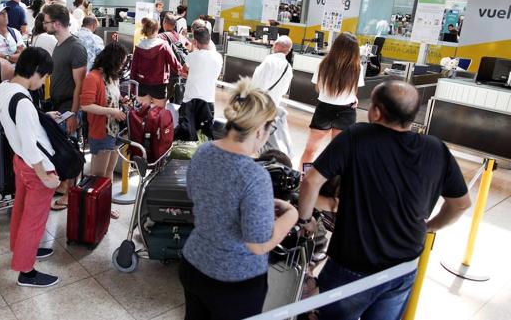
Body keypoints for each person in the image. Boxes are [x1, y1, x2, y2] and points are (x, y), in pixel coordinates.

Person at [298, 80, 471, 320]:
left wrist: (305, 220)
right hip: (404, 268)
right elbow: (461, 204)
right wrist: (428, 227)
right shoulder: (435, 148)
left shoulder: (357, 136)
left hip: (353, 265)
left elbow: (310, 181)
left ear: (377, 112)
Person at [180, 78, 298, 319]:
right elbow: (257, 245)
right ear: (258, 130)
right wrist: (291, 215)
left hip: (194, 264)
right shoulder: (255, 176)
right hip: (234, 281)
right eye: (270, 129)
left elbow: (197, 197)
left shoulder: (203, 151)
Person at [0, 46, 60, 288]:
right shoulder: (23, 101)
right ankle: (26, 271)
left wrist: (39, 117)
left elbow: (14, 122)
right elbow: (32, 147)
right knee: (35, 219)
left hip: (19, 162)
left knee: (21, 210)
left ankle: (20, 248)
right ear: (35, 72)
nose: (43, 83)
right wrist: (46, 177)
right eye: (43, 77)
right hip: (35, 167)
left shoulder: (4, 89)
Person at [42, 3, 87, 211]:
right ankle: (63, 184)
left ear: (57, 24)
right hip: (58, 103)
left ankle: (70, 191)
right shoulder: (59, 45)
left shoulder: (75, 47)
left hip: (70, 105)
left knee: (69, 148)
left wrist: (73, 114)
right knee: (59, 147)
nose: (44, 24)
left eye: (47, 21)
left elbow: (80, 84)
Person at [75, 42, 127, 217]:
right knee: (98, 175)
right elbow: (86, 105)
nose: (122, 66)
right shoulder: (93, 77)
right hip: (101, 131)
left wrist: (122, 101)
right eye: (121, 62)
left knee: (109, 173)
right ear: (113, 61)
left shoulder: (113, 77)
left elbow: (113, 96)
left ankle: (104, 206)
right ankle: (93, 210)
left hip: (115, 131)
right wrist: (112, 111)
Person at [299, 32, 364, 166]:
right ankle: (333, 185)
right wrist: (352, 97)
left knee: (310, 150)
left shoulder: (323, 64)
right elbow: (352, 89)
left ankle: (303, 179)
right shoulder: (358, 68)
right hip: (346, 111)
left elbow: (319, 87)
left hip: (324, 109)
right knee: (340, 153)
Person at [130, 17, 182, 108]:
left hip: (142, 83)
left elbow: (133, 68)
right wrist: (183, 72)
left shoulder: (139, 46)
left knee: (142, 114)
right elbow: (174, 62)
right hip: (159, 84)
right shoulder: (163, 45)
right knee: (158, 115)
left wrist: (133, 86)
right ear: (157, 29)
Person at [180, 26, 222, 114]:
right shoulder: (219, 57)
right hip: (208, 101)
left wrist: (192, 49)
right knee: (205, 128)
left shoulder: (192, 56)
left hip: (190, 100)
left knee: (186, 127)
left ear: (195, 41)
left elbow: (184, 69)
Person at [251, 35, 293, 107]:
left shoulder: (269, 60)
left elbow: (257, 81)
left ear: (276, 45)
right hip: (274, 105)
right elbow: (284, 90)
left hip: (259, 102)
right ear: (288, 51)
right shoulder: (288, 67)